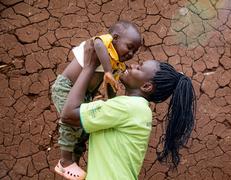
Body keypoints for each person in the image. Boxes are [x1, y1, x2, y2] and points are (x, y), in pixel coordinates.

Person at [60, 41, 196, 179]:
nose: (132, 65)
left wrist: (89, 67)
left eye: (139, 68)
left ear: (147, 86)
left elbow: (68, 115)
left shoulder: (128, 107)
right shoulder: (138, 109)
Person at [51, 20, 142, 179]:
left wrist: (112, 101)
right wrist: (107, 70)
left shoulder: (116, 63)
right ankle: (64, 162)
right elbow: (98, 44)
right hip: (66, 88)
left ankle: (74, 161)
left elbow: (110, 86)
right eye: (129, 47)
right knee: (70, 123)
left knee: (84, 129)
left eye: (134, 52)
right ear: (115, 37)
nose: (131, 54)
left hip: (85, 94)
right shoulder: (104, 44)